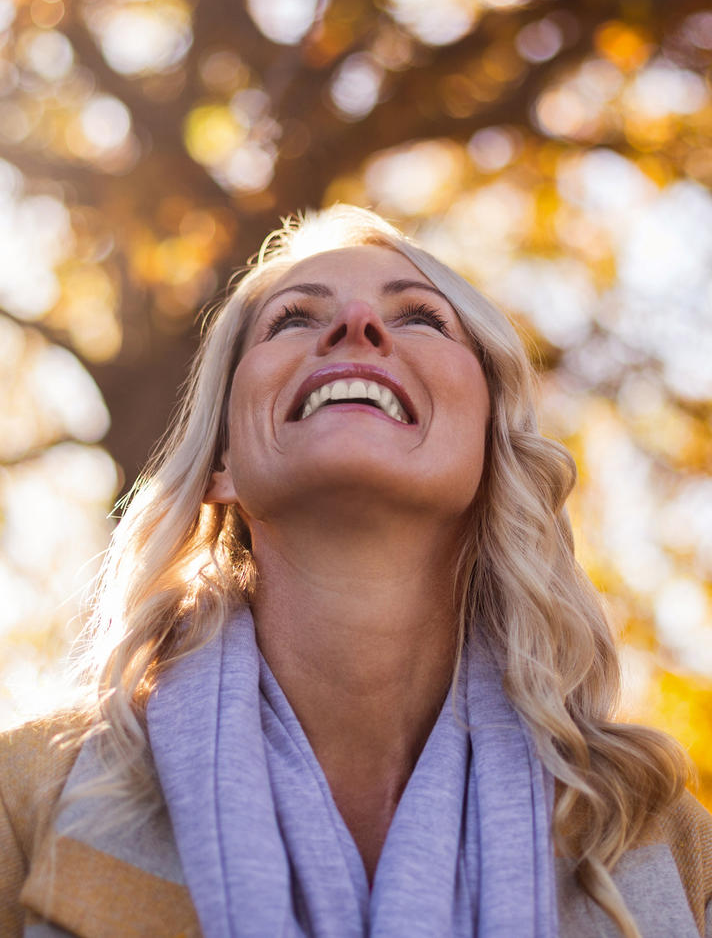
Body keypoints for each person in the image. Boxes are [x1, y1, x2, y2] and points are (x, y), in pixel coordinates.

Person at [1, 203, 711, 938]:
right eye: (293, 320)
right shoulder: (27, 796)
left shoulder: (664, 839)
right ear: (222, 464)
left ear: (491, 448)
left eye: (421, 319)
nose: (356, 327)